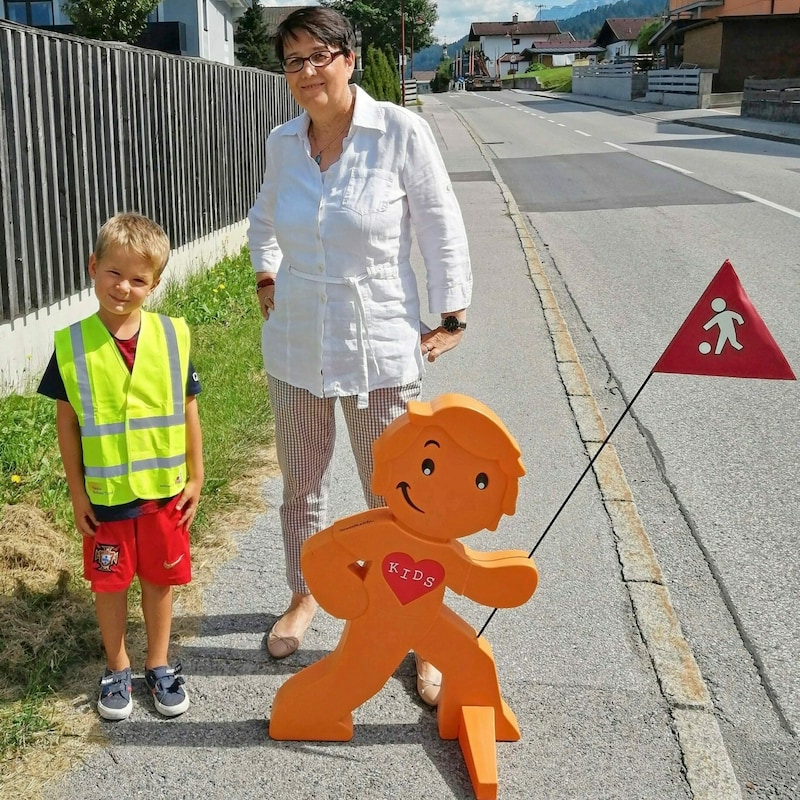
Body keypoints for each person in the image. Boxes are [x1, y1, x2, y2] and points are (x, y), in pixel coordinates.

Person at [247, 6, 472, 708]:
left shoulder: (400, 133)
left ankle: (421, 627)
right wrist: (266, 270)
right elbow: (264, 215)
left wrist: (453, 311)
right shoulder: (284, 142)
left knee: (398, 499)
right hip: (297, 344)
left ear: (349, 56)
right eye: (293, 61)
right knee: (302, 486)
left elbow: (439, 221)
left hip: (379, 343)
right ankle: (303, 594)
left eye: (319, 56)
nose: (307, 72)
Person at [37, 212, 204, 721]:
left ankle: (157, 664)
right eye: (114, 273)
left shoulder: (174, 336)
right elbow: (68, 426)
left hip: (163, 494)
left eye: (138, 279)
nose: (124, 287)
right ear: (93, 266)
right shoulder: (70, 346)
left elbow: (188, 409)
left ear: (154, 284)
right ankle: (116, 666)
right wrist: (77, 494)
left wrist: (197, 475)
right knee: (109, 584)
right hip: (106, 500)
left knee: (159, 581)